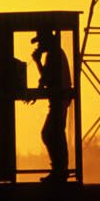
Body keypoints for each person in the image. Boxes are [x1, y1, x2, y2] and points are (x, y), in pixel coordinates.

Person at [31, 29, 71, 182]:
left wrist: (37, 61)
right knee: (55, 134)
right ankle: (60, 170)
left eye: (41, 41)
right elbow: (47, 79)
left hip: (59, 101)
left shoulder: (53, 54)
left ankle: (59, 170)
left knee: (49, 134)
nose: (40, 45)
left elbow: (46, 78)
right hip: (60, 101)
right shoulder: (55, 53)